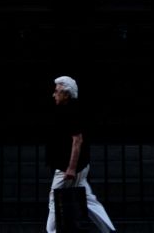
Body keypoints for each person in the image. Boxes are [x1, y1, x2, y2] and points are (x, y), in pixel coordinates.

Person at [46, 75, 115, 233]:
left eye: (57, 91)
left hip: (67, 167)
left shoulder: (71, 111)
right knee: (89, 199)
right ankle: (109, 230)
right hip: (79, 166)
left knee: (54, 199)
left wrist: (71, 168)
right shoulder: (71, 109)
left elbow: (77, 141)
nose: (54, 94)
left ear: (66, 93)